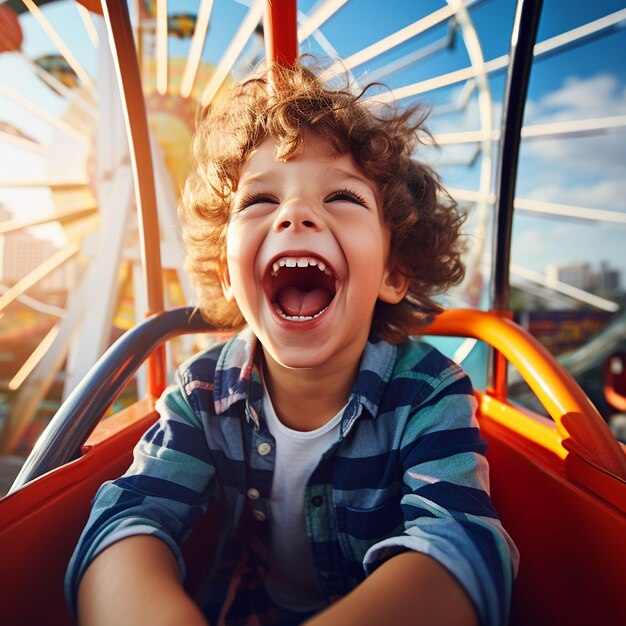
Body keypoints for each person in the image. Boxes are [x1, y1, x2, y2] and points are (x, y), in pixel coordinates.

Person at [65, 61, 519, 626]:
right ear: (228, 274)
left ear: (393, 272)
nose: (296, 213)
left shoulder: (429, 395)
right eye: (259, 202)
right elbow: (132, 515)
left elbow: (460, 544)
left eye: (342, 199)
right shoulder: (200, 394)